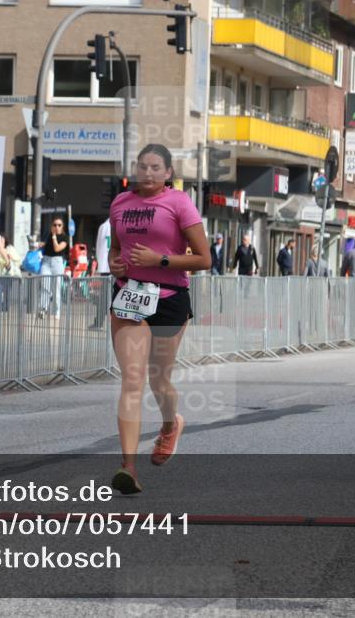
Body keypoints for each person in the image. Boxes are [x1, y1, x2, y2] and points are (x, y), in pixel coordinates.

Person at [107, 143, 211, 494]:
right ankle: (129, 468)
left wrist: (160, 260)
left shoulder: (179, 202)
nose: (147, 172)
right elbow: (115, 248)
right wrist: (113, 262)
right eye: (142, 165)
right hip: (129, 295)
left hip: (168, 299)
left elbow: (203, 259)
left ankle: (170, 425)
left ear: (168, 173)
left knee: (159, 382)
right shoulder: (121, 203)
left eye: (155, 167)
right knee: (132, 380)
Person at [39, 217, 69, 317]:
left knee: (56, 288)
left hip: (57, 262)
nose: (56, 227)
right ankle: (43, 308)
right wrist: (40, 244)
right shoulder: (48, 235)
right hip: (46, 261)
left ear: (62, 227)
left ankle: (57, 311)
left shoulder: (64, 238)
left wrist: (54, 237)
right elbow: (45, 245)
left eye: (59, 225)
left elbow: (57, 248)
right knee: (44, 285)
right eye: (54, 225)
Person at [91, 218, 112, 329]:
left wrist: (101, 262)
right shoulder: (122, 223)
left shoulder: (104, 226)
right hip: (116, 266)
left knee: (104, 297)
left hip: (106, 267)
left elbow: (99, 246)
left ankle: (99, 322)